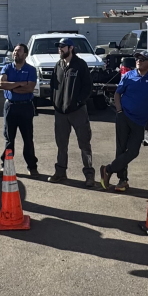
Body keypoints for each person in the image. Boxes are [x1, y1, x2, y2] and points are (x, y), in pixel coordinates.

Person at [101, 50, 148, 192]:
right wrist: (119, 111)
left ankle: (108, 169)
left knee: (133, 151)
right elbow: (118, 93)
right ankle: (122, 181)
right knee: (121, 149)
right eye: (137, 59)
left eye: (142, 59)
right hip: (124, 116)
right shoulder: (128, 75)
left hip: (140, 121)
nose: (139, 61)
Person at [49, 36, 95, 187]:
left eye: (63, 46)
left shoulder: (80, 65)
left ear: (71, 48)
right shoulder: (58, 65)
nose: (60, 49)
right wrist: (55, 103)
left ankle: (89, 174)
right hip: (60, 113)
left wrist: (78, 102)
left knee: (84, 144)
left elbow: (88, 87)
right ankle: (60, 172)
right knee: (61, 144)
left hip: (78, 112)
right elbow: (53, 86)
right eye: (59, 47)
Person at [0, 43, 40, 177]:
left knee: (28, 138)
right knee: (9, 138)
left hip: (26, 106)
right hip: (10, 106)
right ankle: (6, 166)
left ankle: (32, 167)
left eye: (19, 51)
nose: (16, 53)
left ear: (25, 54)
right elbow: (1, 84)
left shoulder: (31, 70)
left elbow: (30, 88)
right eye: (15, 51)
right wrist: (20, 84)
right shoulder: (7, 68)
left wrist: (12, 87)